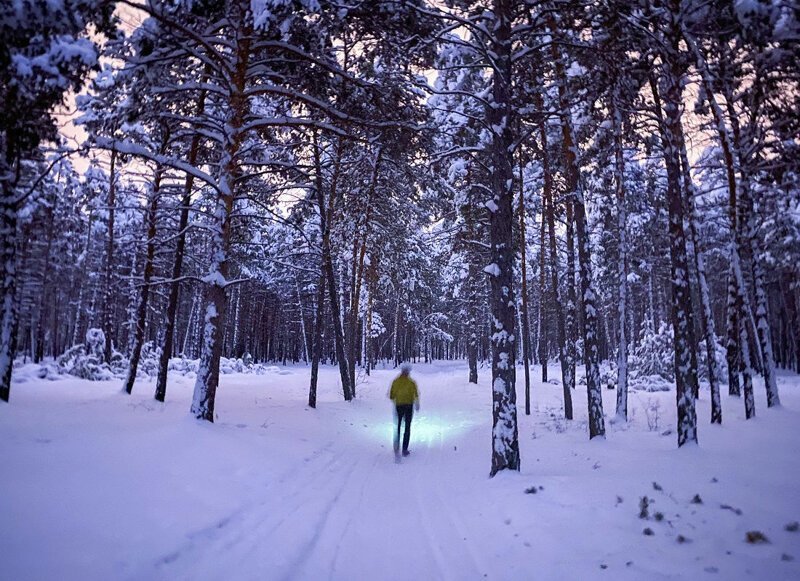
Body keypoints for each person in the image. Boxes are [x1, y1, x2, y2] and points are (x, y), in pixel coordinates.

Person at [389, 362, 419, 458]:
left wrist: (396, 397)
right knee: (407, 427)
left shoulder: (395, 381)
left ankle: (396, 445)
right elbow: (415, 394)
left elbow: (391, 395)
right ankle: (404, 449)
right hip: (408, 406)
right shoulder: (412, 382)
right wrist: (417, 403)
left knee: (398, 426)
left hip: (399, 406)